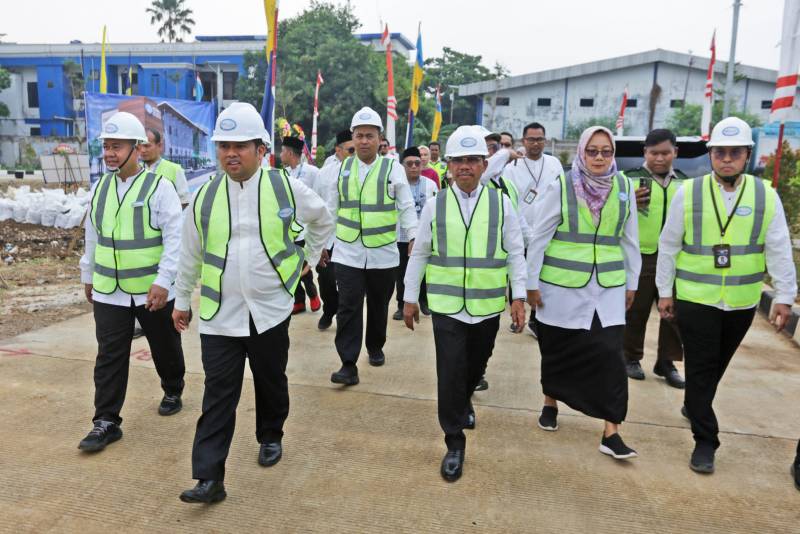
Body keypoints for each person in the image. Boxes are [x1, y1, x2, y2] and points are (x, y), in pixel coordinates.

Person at [174, 103, 333, 503]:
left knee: (270, 379)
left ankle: (270, 434)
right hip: (219, 315)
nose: (230, 153)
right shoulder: (204, 196)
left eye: (240, 145)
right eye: (224, 145)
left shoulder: (285, 187)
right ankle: (209, 478)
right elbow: (189, 252)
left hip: (269, 309)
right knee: (218, 395)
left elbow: (323, 219)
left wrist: (306, 262)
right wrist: (181, 299)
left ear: (261, 149)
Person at [656, 117, 796, 474]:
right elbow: (669, 245)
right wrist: (664, 291)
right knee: (701, 368)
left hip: (741, 302)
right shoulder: (689, 192)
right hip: (695, 298)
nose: (727, 159)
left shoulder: (765, 194)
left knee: (716, 367)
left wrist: (784, 296)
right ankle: (706, 441)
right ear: (711, 155)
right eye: (720, 152)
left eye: (735, 152)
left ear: (747, 155)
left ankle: (695, 403)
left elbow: (778, 248)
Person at [403, 126, 527, 482]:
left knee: (475, 366)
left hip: (487, 305)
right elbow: (420, 253)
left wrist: (517, 296)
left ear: (485, 164)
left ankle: (465, 397)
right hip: (446, 306)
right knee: (451, 370)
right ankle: (454, 441)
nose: (466, 167)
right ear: (449, 166)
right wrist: (411, 297)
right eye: (459, 161)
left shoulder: (502, 203)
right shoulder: (434, 205)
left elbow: (516, 253)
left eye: (473, 160)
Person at [527, 125, 641, 460]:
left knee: (610, 356)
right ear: (582, 151)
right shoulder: (562, 185)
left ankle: (611, 431)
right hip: (561, 288)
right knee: (557, 350)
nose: (599, 158)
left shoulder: (624, 187)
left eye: (606, 151)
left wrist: (632, 282)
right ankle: (551, 401)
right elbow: (539, 237)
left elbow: (629, 239)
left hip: (606, 288)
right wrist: (530, 284)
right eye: (593, 151)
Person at [77, 111, 186, 453]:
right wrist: (89, 274)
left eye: (116, 146)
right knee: (109, 354)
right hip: (109, 290)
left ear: (137, 148)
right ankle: (106, 421)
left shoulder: (159, 187)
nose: (109, 153)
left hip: (150, 290)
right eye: (106, 146)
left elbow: (175, 238)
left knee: (164, 347)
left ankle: (173, 386)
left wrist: (164, 281)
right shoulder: (100, 188)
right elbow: (91, 235)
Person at [327, 107, 418, 385]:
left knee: (379, 305)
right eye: (359, 135)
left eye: (370, 135)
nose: (364, 140)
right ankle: (348, 363)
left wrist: (413, 235)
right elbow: (331, 209)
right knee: (349, 307)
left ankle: (375, 345)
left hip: (383, 254)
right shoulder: (341, 169)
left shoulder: (393, 168)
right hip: (347, 252)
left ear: (380, 139)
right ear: (352, 139)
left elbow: (405, 205)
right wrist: (321, 244)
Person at [623, 129, 688, 387]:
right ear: (645, 153)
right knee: (636, 309)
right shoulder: (628, 180)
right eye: (653, 153)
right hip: (642, 255)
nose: (659, 158)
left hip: (673, 257)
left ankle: (666, 362)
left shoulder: (685, 183)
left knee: (672, 311)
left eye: (665, 153)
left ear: (675, 153)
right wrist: (628, 202)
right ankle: (630, 357)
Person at [503, 122, 564, 336]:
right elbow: (511, 202)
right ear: (523, 141)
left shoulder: (554, 163)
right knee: (518, 274)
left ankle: (537, 319)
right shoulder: (512, 168)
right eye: (531, 139)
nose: (536, 143)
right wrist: (526, 231)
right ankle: (516, 313)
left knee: (542, 275)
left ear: (545, 141)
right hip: (521, 232)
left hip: (548, 232)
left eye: (539, 139)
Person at [314, 130, 354, 330]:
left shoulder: (365, 173)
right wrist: (317, 242)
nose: (354, 154)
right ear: (338, 151)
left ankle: (345, 318)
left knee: (350, 284)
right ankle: (330, 309)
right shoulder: (324, 174)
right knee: (326, 279)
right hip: (328, 238)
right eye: (350, 150)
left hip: (352, 238)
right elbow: (316, 207)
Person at [393, 147, 436, 321]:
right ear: (402, 166)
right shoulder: (397, 184)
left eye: (417, 163)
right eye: (409, 164)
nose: (413, 167)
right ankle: (401, 305)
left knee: (424, 270)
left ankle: (423, 301)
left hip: (424, 236)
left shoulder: (430, 184)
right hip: (401, 237)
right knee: (401, 272)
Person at [280, 135, 322, 315]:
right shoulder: (283, 173)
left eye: (282, 151)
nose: (280, 154)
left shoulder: (312, 172)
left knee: (303, 264)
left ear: (290, 153)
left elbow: (319, 196)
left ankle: (313, 295)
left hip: (305, 228)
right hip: (287, 228)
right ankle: (298, 300)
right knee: (289, 266)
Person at [139, 128, 191, 207]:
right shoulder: (136, 169)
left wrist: (167, 216)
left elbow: (184, 201)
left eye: (147, 146)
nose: (142, 150)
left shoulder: (175, 169)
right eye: (140, 146)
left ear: (159, 145)